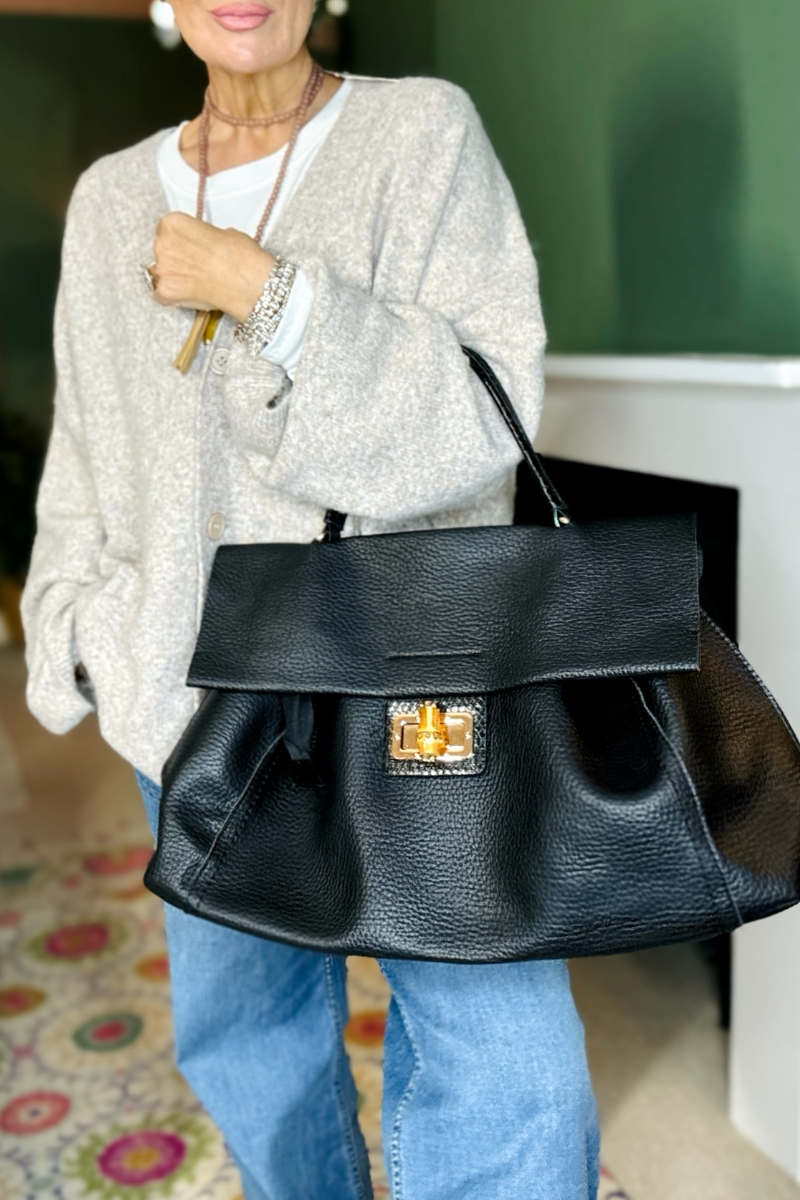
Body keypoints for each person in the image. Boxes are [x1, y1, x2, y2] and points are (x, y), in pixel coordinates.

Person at [21, 1, 599, 1196]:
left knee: (508, 1055)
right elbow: (82, 449)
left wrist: (271, 293)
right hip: (188, 689)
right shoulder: (106, 199)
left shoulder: (421, 133)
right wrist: (81, 624)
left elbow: (483, 414)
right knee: (250, 1038)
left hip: (414, 679)